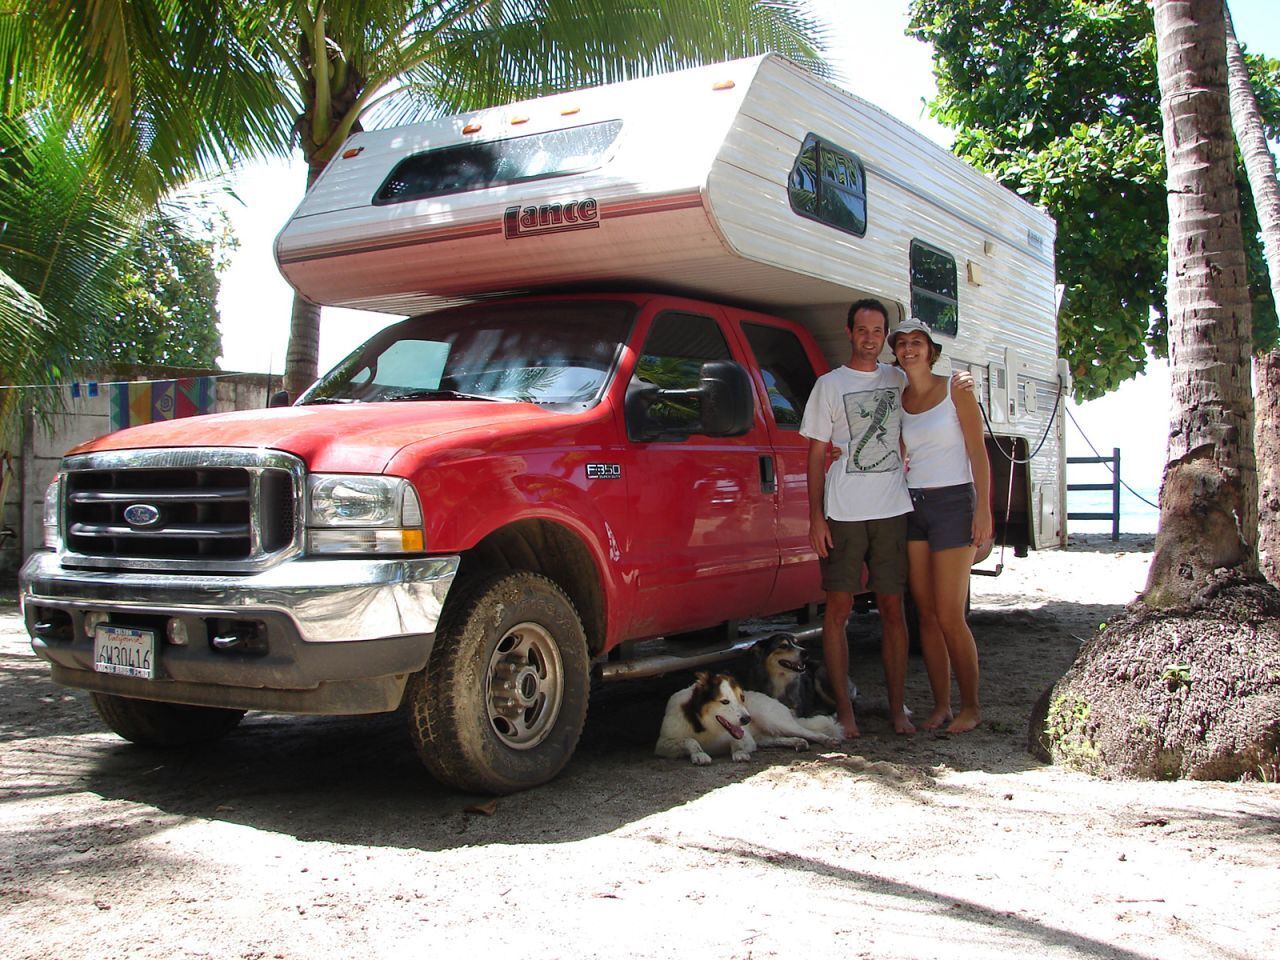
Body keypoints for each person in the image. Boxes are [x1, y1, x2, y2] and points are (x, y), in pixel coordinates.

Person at [799, 298, 917, 738]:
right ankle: (845, 712)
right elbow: (814, 454)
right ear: (849, 333)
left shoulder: (899, 379)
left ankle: (896, 708)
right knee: (839, 609)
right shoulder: (829, 385)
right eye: (862, 330)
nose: (870, 339)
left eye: (877, 331)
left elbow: (921, 421)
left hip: (892, 509)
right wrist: (815, 517)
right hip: (844, 510)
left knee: (893, 608)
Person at [890, 317, 992, 734]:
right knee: (926, 613)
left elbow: (978, 453)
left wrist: (983, 511)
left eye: (917, 342)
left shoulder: (956, 389)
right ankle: (942, 705)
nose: (909, 348)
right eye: (902, 343)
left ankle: (971, 707)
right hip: (915, 505)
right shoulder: (899, 397)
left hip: (954, 502)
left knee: (951, 614)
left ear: (931, 350)